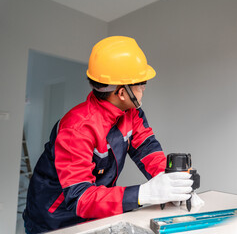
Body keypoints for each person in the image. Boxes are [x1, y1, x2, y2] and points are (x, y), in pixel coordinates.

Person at [23, 36, 194, 233]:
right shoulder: (77, 128)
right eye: (141, 83)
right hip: (53, 221)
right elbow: (80, 198)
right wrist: (143, 194)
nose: (144, 88)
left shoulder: (132, 112)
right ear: (122, 92)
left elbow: (147, 148)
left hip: (94, 215)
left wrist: (171, 181)